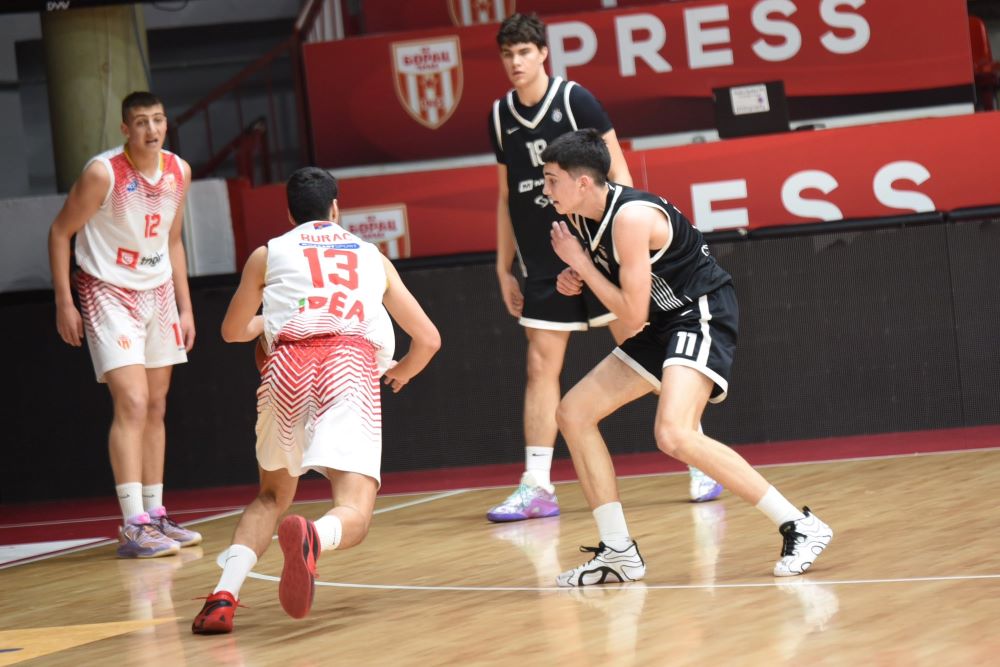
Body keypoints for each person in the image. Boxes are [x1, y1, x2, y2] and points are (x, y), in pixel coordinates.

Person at [540, 129, 832, 586]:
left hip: (700, 311)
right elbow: (625, 289)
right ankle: (618, 552)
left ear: (582, 182)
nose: (545, 190)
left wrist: (581, 265)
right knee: (573, 413)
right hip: (664, 320)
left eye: (551, 179)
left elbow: (630, 314)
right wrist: (576, 274)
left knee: (674, 433)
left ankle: (799, 524)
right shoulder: (579, 217)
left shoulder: (630, 217)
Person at [487, 13, 720, 522]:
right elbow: (506, 195)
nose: (516, 62)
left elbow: (619, 172)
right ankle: (536, 484)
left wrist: (618, 247)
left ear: (542, 53)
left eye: (523, 52)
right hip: (545, 258)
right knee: (540, 365)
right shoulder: (501, 115)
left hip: (599, 247)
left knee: (645, 350)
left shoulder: (575, 100)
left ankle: (697, 456)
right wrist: (504, 267)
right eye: (507, 54)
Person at [192, 167, 440, 634]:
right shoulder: (370, 256)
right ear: (336, 208)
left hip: (286, 368)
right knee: (355, 510)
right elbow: (428, 339)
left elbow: (231, 331)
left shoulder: (268, 253)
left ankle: (223, 596)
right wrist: (403, 372)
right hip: (347, 366)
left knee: (271, 496)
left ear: (290, 214)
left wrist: (271, 320)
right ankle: (315, 536)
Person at [48, 91, 200, 559]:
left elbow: (173, 241)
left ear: (166, 124)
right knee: (131, 400)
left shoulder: (179, 170)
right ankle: (133, 524)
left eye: (158, 120)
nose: (151, 130)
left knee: (155, 404)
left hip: (158, 293)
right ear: (125, 129)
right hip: (107, 292)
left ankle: (155, 515)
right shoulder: (104, 172)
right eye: (141, 122)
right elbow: (60, 232)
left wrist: (185, 307)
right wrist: (64, 301)